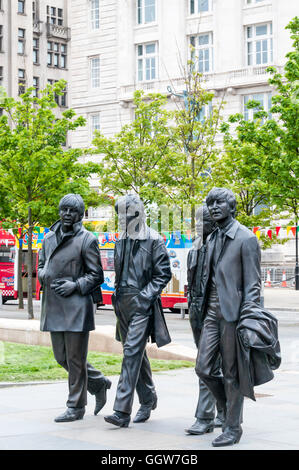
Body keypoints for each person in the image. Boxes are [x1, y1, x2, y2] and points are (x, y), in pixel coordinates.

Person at [196, 188, 261, 447]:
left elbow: (253, 285)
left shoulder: (246, 238)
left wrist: (248, 319)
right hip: (211, 313)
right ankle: (225, 411)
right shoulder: (211, 239)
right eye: (210, 203)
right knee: (203, 367)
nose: (213, 207)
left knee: (232, 373)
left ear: (231, 207)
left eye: (219, 202)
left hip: (233, 314)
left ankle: (233, 428)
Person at [38, 194, 111, 422]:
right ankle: (98, 382)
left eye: (72, 211)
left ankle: (76, 406)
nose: (67, 214)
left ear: (80, 215)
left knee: (76, 359)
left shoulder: (87, 239)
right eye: (64, 210)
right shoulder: (49, 238)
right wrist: (42, 275)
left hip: (77, 305)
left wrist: (75, 285)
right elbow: (41, 264)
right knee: (62, 357)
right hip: (54, 304)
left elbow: (96, 275)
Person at [104, 194, 172, 428]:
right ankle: (148, 397)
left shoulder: (153, 239)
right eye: (119, 214)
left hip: (142, 302)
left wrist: (145, 296)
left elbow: (163, 274)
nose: (122, 218)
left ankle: (121, 411)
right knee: (136, 354)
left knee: (131, 352)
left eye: (126, 213)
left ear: (139, 213)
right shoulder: (120, 238)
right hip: (122, 302)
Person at [185, 205, 225, 435]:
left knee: (206, 365)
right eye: (197, 220)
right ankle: (224, 410)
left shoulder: (224, 246)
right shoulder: (195, 248)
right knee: (210, 366)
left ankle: (204, 417)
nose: (199, 224)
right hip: (198, 313)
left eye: (204, 220)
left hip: (219, 314)